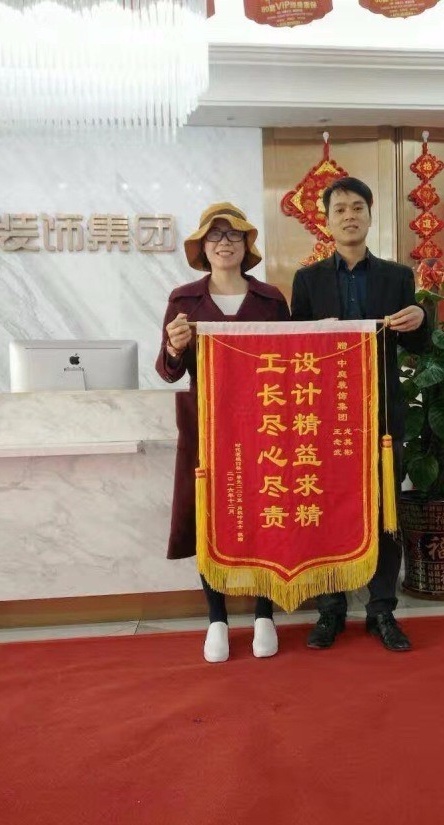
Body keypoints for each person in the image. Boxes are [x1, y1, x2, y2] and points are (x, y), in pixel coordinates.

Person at [290, 176, 429, 652]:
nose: (349, 216)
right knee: (327, 509)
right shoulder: (307, 280)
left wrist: (420, 320)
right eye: (340, 209)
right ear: (327, 221)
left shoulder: (397, 277)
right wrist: (317, 334)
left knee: (385, 511)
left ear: (369, 216)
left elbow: (417, 345)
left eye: (357, 208)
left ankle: (381, 610)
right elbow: (294, 350)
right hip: (325, 416)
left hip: (382, 416)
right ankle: (330, 609)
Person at [156, 202, 291, 662]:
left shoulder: (271, 299)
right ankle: (216, 618)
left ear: (247, 244)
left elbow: (293, 361)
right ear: (201, 246)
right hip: (206, 428)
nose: (224, 243)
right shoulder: (184, 299)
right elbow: (168, 370)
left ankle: (264, 613)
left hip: (266, 426)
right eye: (214, 235)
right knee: (208, 516)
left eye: (233, 235)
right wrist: (175, 348)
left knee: (265, 512)